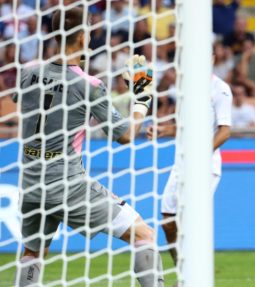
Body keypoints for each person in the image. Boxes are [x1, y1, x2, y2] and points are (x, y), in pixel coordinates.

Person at [14, 8, 163, 287]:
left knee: (32, 253)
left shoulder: (27, 73)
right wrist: (142, 99)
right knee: (144, 235)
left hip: (31, 182)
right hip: (67, 182)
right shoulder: (89, 85)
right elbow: (126, 136)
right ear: (83, 37)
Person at [146, 73, 232, 267]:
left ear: (212, 57)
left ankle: (192, 275)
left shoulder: (220, 89)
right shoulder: (187, 87)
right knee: (168, 221)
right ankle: (184, 272)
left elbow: (225, 131)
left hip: (204, 167)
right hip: (181, 165)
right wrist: (163, 130)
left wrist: (201, 156)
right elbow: (185, 128)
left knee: (189, 221)